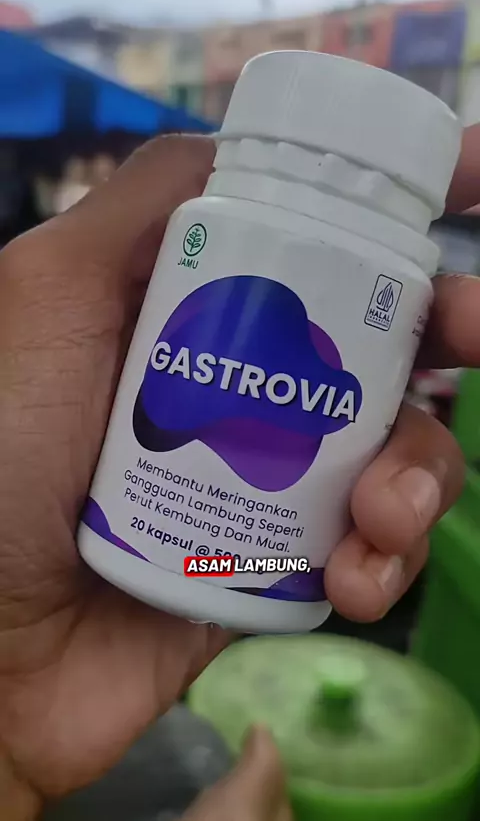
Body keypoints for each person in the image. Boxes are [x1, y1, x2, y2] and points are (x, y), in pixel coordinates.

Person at [0, 129, 479, 821]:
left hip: (264, 562)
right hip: (123, 546)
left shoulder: (393, 278)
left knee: (307, 550)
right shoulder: (203, 213)